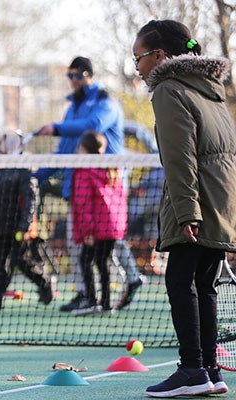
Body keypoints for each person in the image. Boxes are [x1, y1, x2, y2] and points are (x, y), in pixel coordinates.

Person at [134, 19, 236, 397]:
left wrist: (187, 210)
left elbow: (180, 157)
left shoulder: (169, 89)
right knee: (204, 285)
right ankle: (210, 370)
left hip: (194, 202)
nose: (139, 68)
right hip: (222, 202)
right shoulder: (212, 92)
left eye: (138, 59)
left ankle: (192, 370)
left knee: (179, 282)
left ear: (159, 56)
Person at [32, 56, 143, 312]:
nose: (73, 80)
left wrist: (56, 128)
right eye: (69, 76)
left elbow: (92, 127)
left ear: (88, 74)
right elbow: (66, 151)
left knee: (105, 238)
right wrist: (37, 175)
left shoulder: (106, 103)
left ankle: (99, 291)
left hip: (107, 186)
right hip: (80, 183)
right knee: (95, 242)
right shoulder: (72, 108)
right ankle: (99, 290)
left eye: (77, 75)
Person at [0, 129, 53, 310]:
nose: (3, 146)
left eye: (8, 142)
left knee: (21, 260)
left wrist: (25, 226)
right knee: (0, 262)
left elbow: (30, 201)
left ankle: (45, 282)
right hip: (1, 226)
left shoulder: (23, 170)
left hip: (19, 228)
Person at [69, 131, 126, 316]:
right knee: (103, 263)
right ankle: (106, 304)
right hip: (111, 226)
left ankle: (92, 300)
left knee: (85, 260)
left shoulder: (85, 170)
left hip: (97, 227)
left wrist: (88, 231)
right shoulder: (111, 168)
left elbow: (83, 203)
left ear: (84, 149)